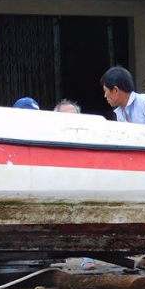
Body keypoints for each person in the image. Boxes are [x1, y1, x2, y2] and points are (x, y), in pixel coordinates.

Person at [53, 98, 95, 271]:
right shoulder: (50, 136)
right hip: (58, 182)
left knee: (87, 216)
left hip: (83, 180)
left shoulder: (88, 135)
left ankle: (88, 256)